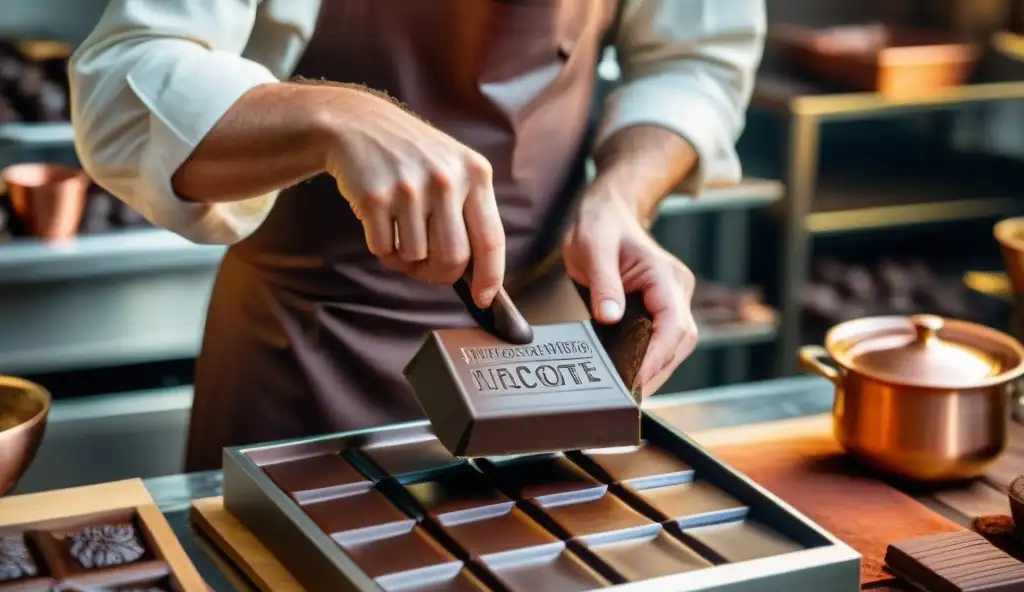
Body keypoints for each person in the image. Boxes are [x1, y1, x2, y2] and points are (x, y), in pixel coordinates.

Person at [70, 0, 765, 471]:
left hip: (549, 351)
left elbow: (695, 62)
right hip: (307, 358)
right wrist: (333, 116)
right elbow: (121, 87)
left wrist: (620, 196)